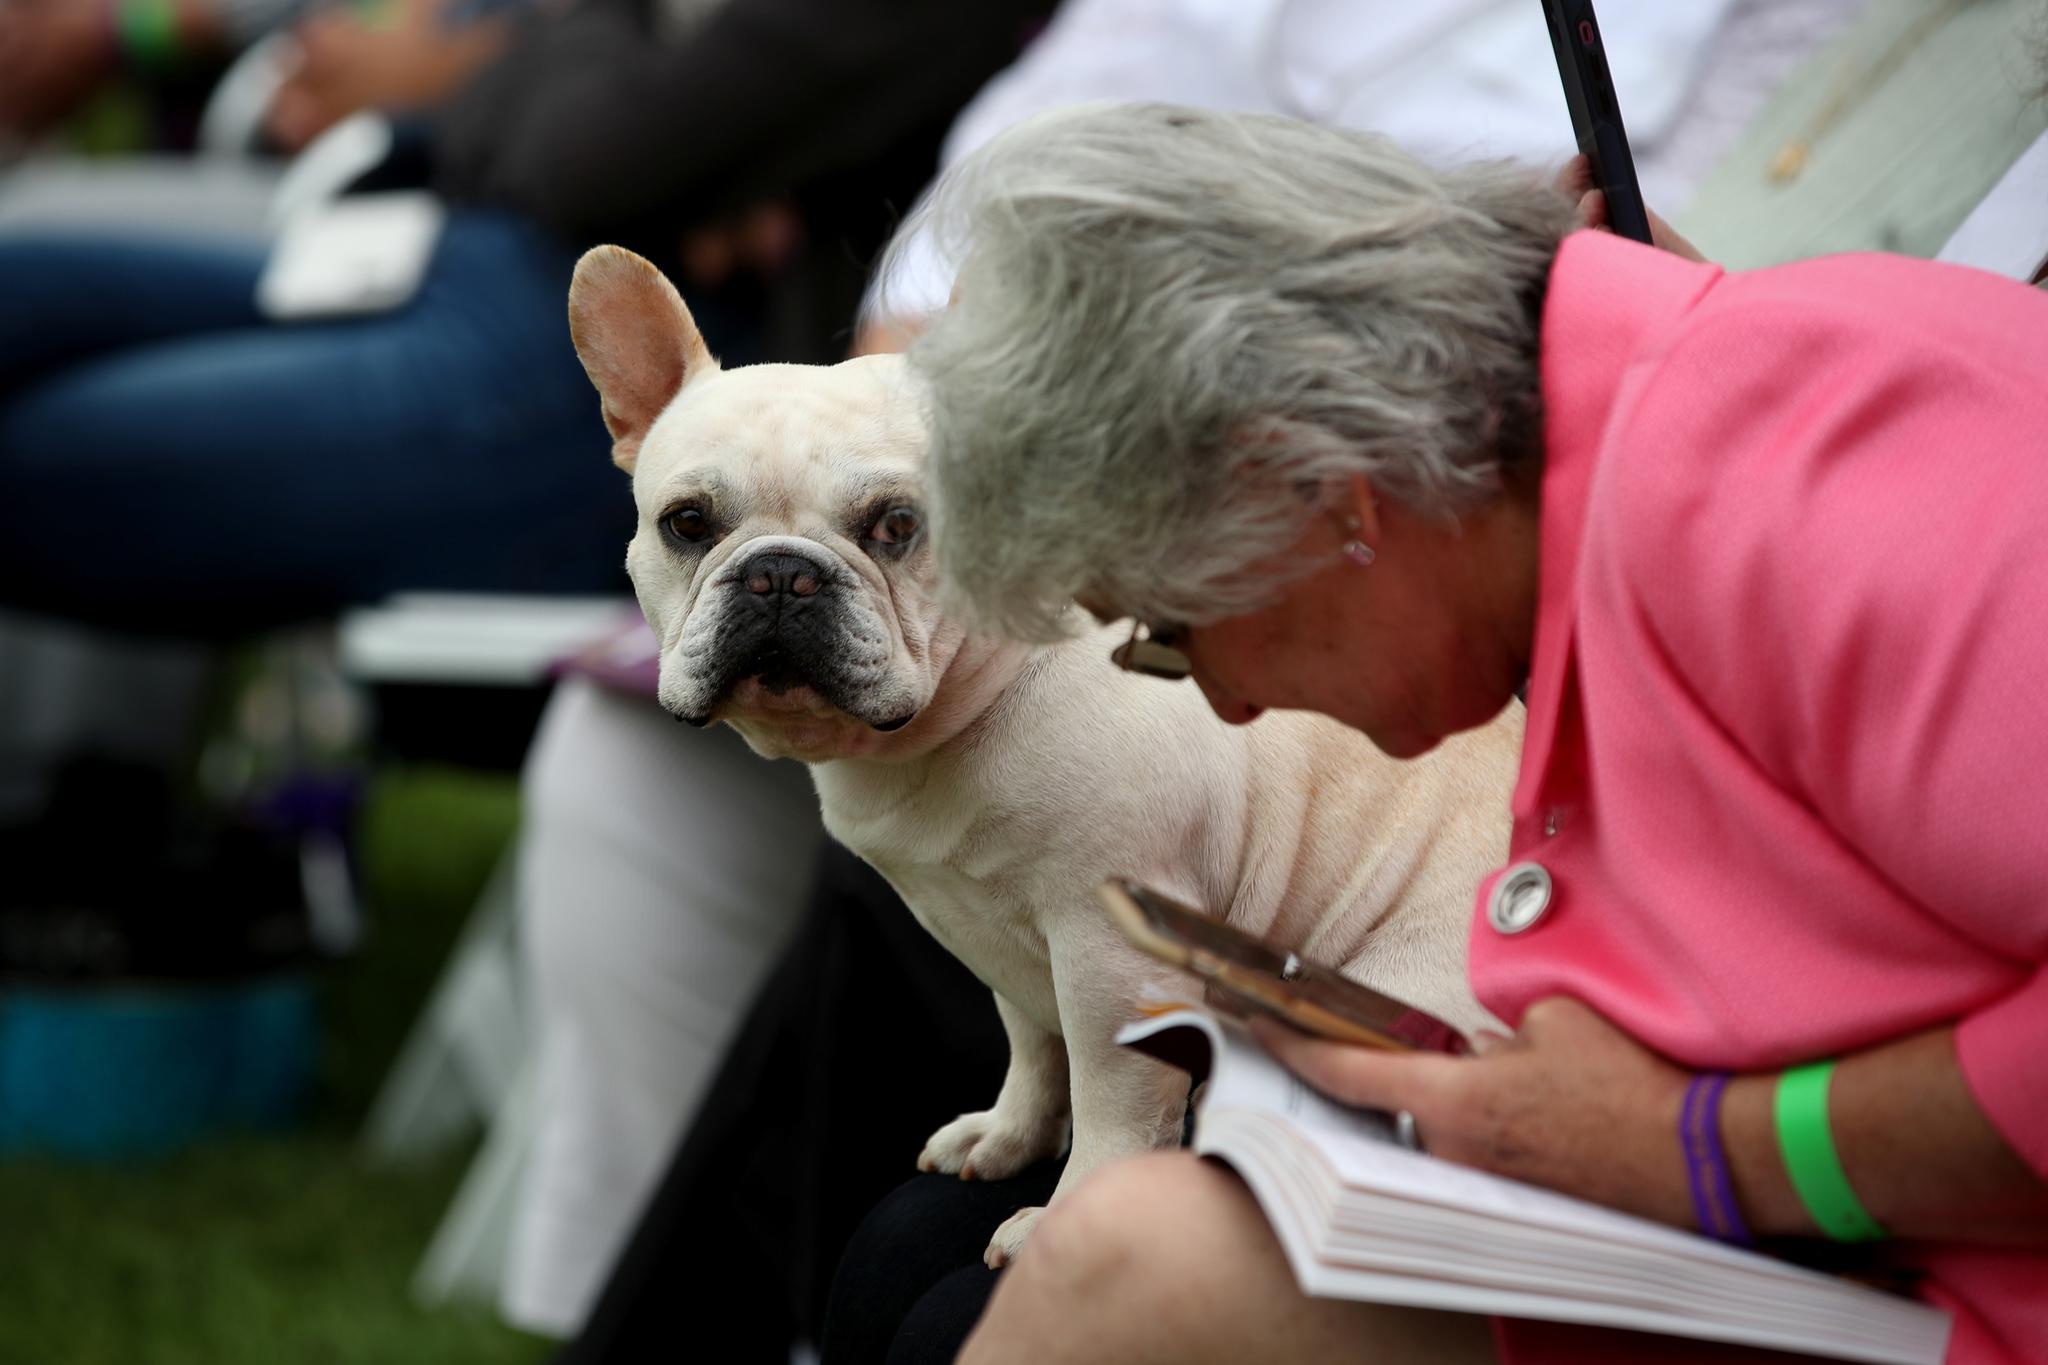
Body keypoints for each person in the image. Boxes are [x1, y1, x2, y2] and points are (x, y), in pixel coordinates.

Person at [868, 102, 2048, 1364]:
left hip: (1943, 1296)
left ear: (1310, 488)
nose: (1216, 702)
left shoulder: (1804, 473)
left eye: (1166, 628)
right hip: (1848, 1256)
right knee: (924, 1259)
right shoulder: (1596, 470)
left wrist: (1710, 1151)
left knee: (1127, 1273)